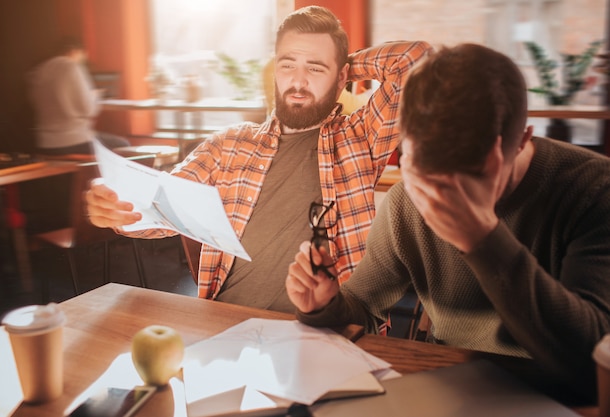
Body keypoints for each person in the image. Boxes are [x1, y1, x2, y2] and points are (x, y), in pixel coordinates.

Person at [286, 43, 610, 400]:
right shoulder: (408, 200)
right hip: (455, 385)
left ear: (521, 142)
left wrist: (483, 240)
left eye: (472, 174)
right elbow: (362, 306)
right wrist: (325, 306)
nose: (444, 193)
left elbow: (591, 361)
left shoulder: (594, 190)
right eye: (428, 171)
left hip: (558, 395)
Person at [85, 6, 431, 312]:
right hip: (228, 324)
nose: (297, 81)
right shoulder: (228, 144)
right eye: (288, 64)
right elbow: (160, 209)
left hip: (329, 326)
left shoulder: (360, 136)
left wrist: (347, 63)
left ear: (341, 78)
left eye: (315, 68)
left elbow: (417, 60)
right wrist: (118, 208)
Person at [29, 37, 129, 155]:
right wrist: (94, 95)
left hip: (45, 143)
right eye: (83, 54)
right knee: (123, 145)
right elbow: (89, 110)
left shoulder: (40, 69)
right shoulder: (71, 66)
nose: (83, 59)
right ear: (74, 51)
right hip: (74, 141)